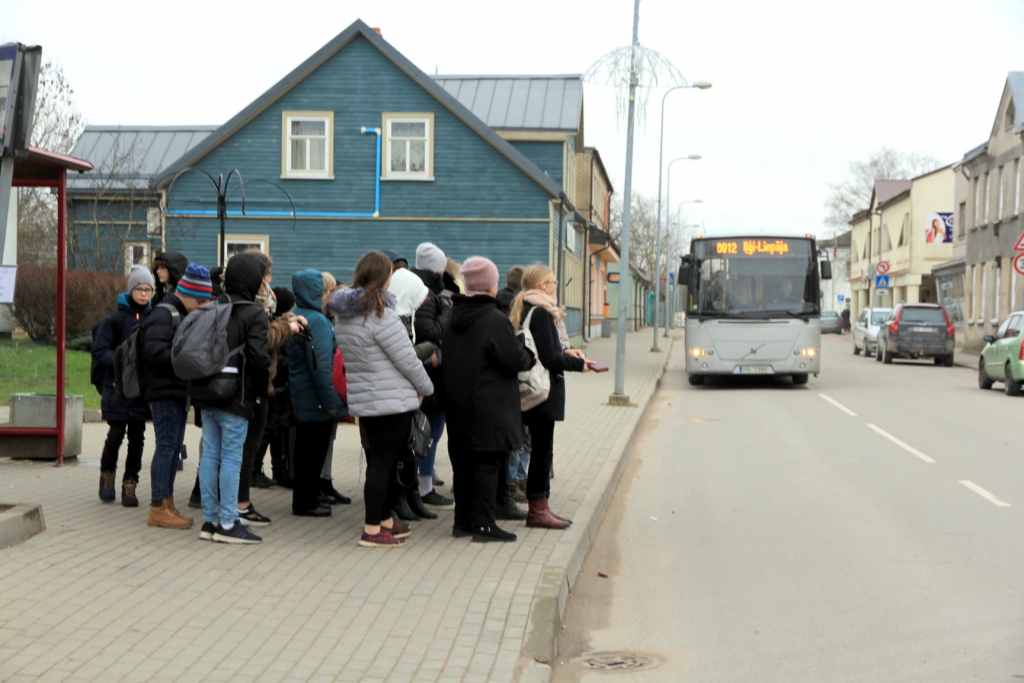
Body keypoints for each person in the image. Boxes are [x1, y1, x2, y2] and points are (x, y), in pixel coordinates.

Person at [330, 251, 434, 548]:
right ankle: (373, 528)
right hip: (391, 400)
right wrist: (425, 388)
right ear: (384, 278)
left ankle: (386, 520)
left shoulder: (346, 315)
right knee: (383, 466)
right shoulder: (382, 315)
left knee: (381, 461)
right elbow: (409, 360)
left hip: (368, 399)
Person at [442, 257, 535, 542]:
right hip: (488, 404)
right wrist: (526, 350)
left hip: (458, 403)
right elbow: (513, 359)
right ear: (490, 285)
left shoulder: (454, 316)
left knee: (464, 464)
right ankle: (484, 524)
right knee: (487, 463)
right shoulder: (494, 318)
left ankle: (463, 522)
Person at [194, 252, 271, 544]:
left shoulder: (213, 307)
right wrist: (261, 393)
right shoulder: (253, 313)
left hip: (206, 393)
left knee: (210, 456)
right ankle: (229, 523)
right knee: (231, 458)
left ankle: (210, 521)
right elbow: (258, 359)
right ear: (252, 279)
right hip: (236, 397)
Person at [511, 264, 594, 529]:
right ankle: (537, 510)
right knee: (542, 453)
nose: (556, 285)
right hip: (542, 395)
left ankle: (542, 506)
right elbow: (547, 358)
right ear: (541, 286)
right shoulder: (541, 314)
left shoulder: (529, 310)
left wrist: (568, 353)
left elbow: (546, 350)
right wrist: (578, 366)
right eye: (553, 281)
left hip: (538, 393)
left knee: (542, 451)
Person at [141, 262, 213, 529]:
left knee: (172, 451)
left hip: (176, 391)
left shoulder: (177, 313)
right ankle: (159, 507)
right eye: (202, 300)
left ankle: (167, 502)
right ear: (189, 295)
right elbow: (154, 353)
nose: (205, 306)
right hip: (165, 392)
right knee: (166, 448)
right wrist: (186, 357)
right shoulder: (165, 314)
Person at [286, 270, 345, 517]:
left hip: (301, 394)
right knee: (313, 452)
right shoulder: (317, 322)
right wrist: (332, 402)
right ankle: (306, 502)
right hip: (316, 398)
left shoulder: (295, 316)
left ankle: (305, 498)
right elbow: (319, 363)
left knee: (303, 451)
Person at [93, 265, 154, 507]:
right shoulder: (115, 320)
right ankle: (107, 476)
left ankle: (130, 483)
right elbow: (100, 351)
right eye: (139, 289)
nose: (144, 294)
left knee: (137, 438)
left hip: (140, 389)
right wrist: (121, 364)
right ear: (131, 290)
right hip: (117, 387)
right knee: (115, 434)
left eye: (148, 290)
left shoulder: (153, 317)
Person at [388, 267, 442, 521]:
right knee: (397, 453)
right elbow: (403, 356)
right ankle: (398, 499)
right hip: (394, 395)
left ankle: (411, 495)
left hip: (406, 392)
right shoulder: (392, 318)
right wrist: (427, 351)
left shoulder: (404, 316)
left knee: (409, 449)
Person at [409, 243, 455, 513]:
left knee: (430, 432)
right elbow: (428, 330)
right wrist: (448, 310)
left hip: (430, 372)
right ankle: (422, 487)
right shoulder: (427, 295)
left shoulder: (425, 291)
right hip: (428, 373)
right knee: (428, 432)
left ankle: (422, 485)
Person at [256, 286, 297, 488]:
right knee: (269, 429)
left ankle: (278, 470)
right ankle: (257, 469)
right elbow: (277, 357)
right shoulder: (279, 326)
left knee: (275, 430)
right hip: (275, 385)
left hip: (277, 385)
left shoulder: (274, 322)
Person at [496, 264, 529, 503]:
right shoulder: (521, 306)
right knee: (520, 435)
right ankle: (515, 480)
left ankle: (513, 479)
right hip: (518, 376)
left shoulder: (494, 300)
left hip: (497, 379)